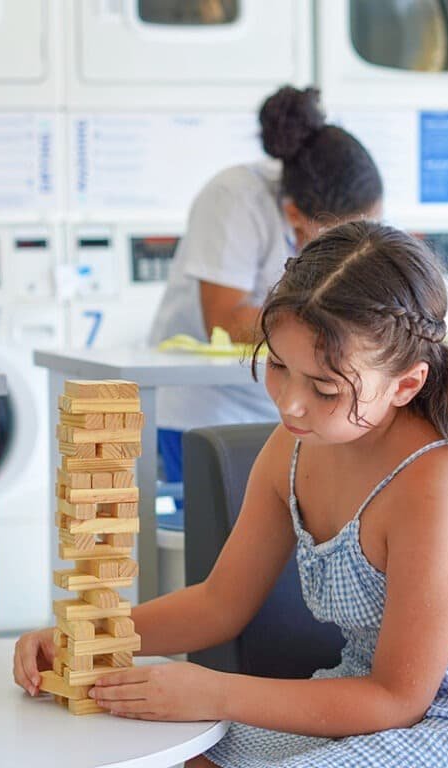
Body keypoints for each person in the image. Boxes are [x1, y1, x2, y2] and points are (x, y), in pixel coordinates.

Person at [14, 221, 448, 766]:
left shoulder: (438, 484)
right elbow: (219, 603)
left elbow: (398, 698)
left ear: (405, 385)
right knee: (182, 759)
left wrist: (215, 691)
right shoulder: (291, 449)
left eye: (324, 388)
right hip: (365, 696)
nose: (290, 404)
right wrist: (85, 635)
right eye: (277, 366)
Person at [148, 85, 383, 485]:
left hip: (291, 410)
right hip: (210, 412)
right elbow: (223, 321)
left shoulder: (330, 202)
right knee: (219, 536)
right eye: (338, 233)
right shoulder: (234, 197)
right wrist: (331, 326)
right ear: (293, 213)